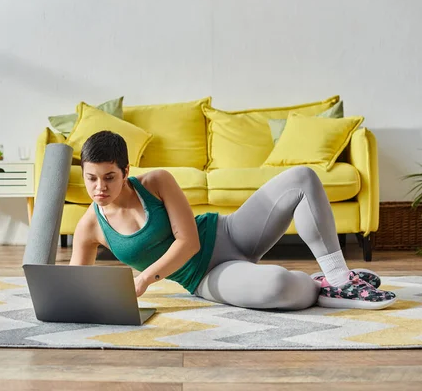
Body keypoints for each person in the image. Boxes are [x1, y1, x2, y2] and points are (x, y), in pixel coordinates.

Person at [70, 131, 396, 310]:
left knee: (302, 178)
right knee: (282, 287)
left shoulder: (156, 182)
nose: (100, 188)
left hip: (229, 232)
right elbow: (75, 287)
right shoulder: (90, 226)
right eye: (91, 179)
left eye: (110, 177)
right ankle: (320, 285)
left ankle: (339, 279)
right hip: (207, 276)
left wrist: (144, 279)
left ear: (126, 172)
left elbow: (189, 242)